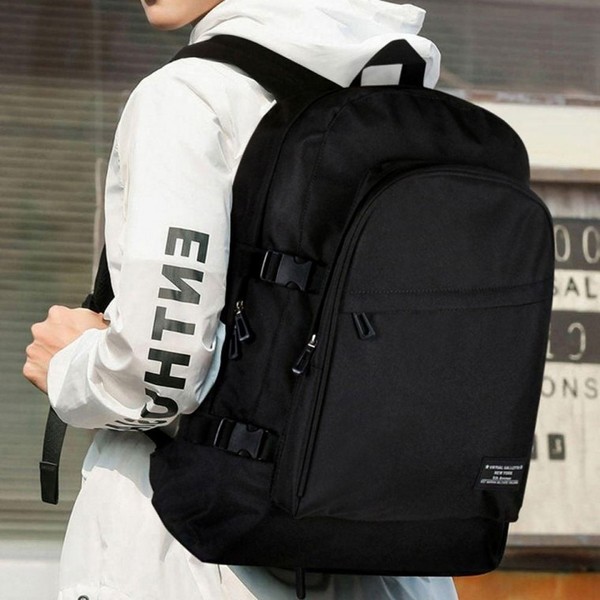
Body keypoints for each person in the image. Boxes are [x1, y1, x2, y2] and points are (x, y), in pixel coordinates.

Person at [24, 1, 458, 598]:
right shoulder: (413, 104)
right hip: (388, 557)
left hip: (189, 549)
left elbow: (158, 377)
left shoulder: (191, 95)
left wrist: (70, 364)